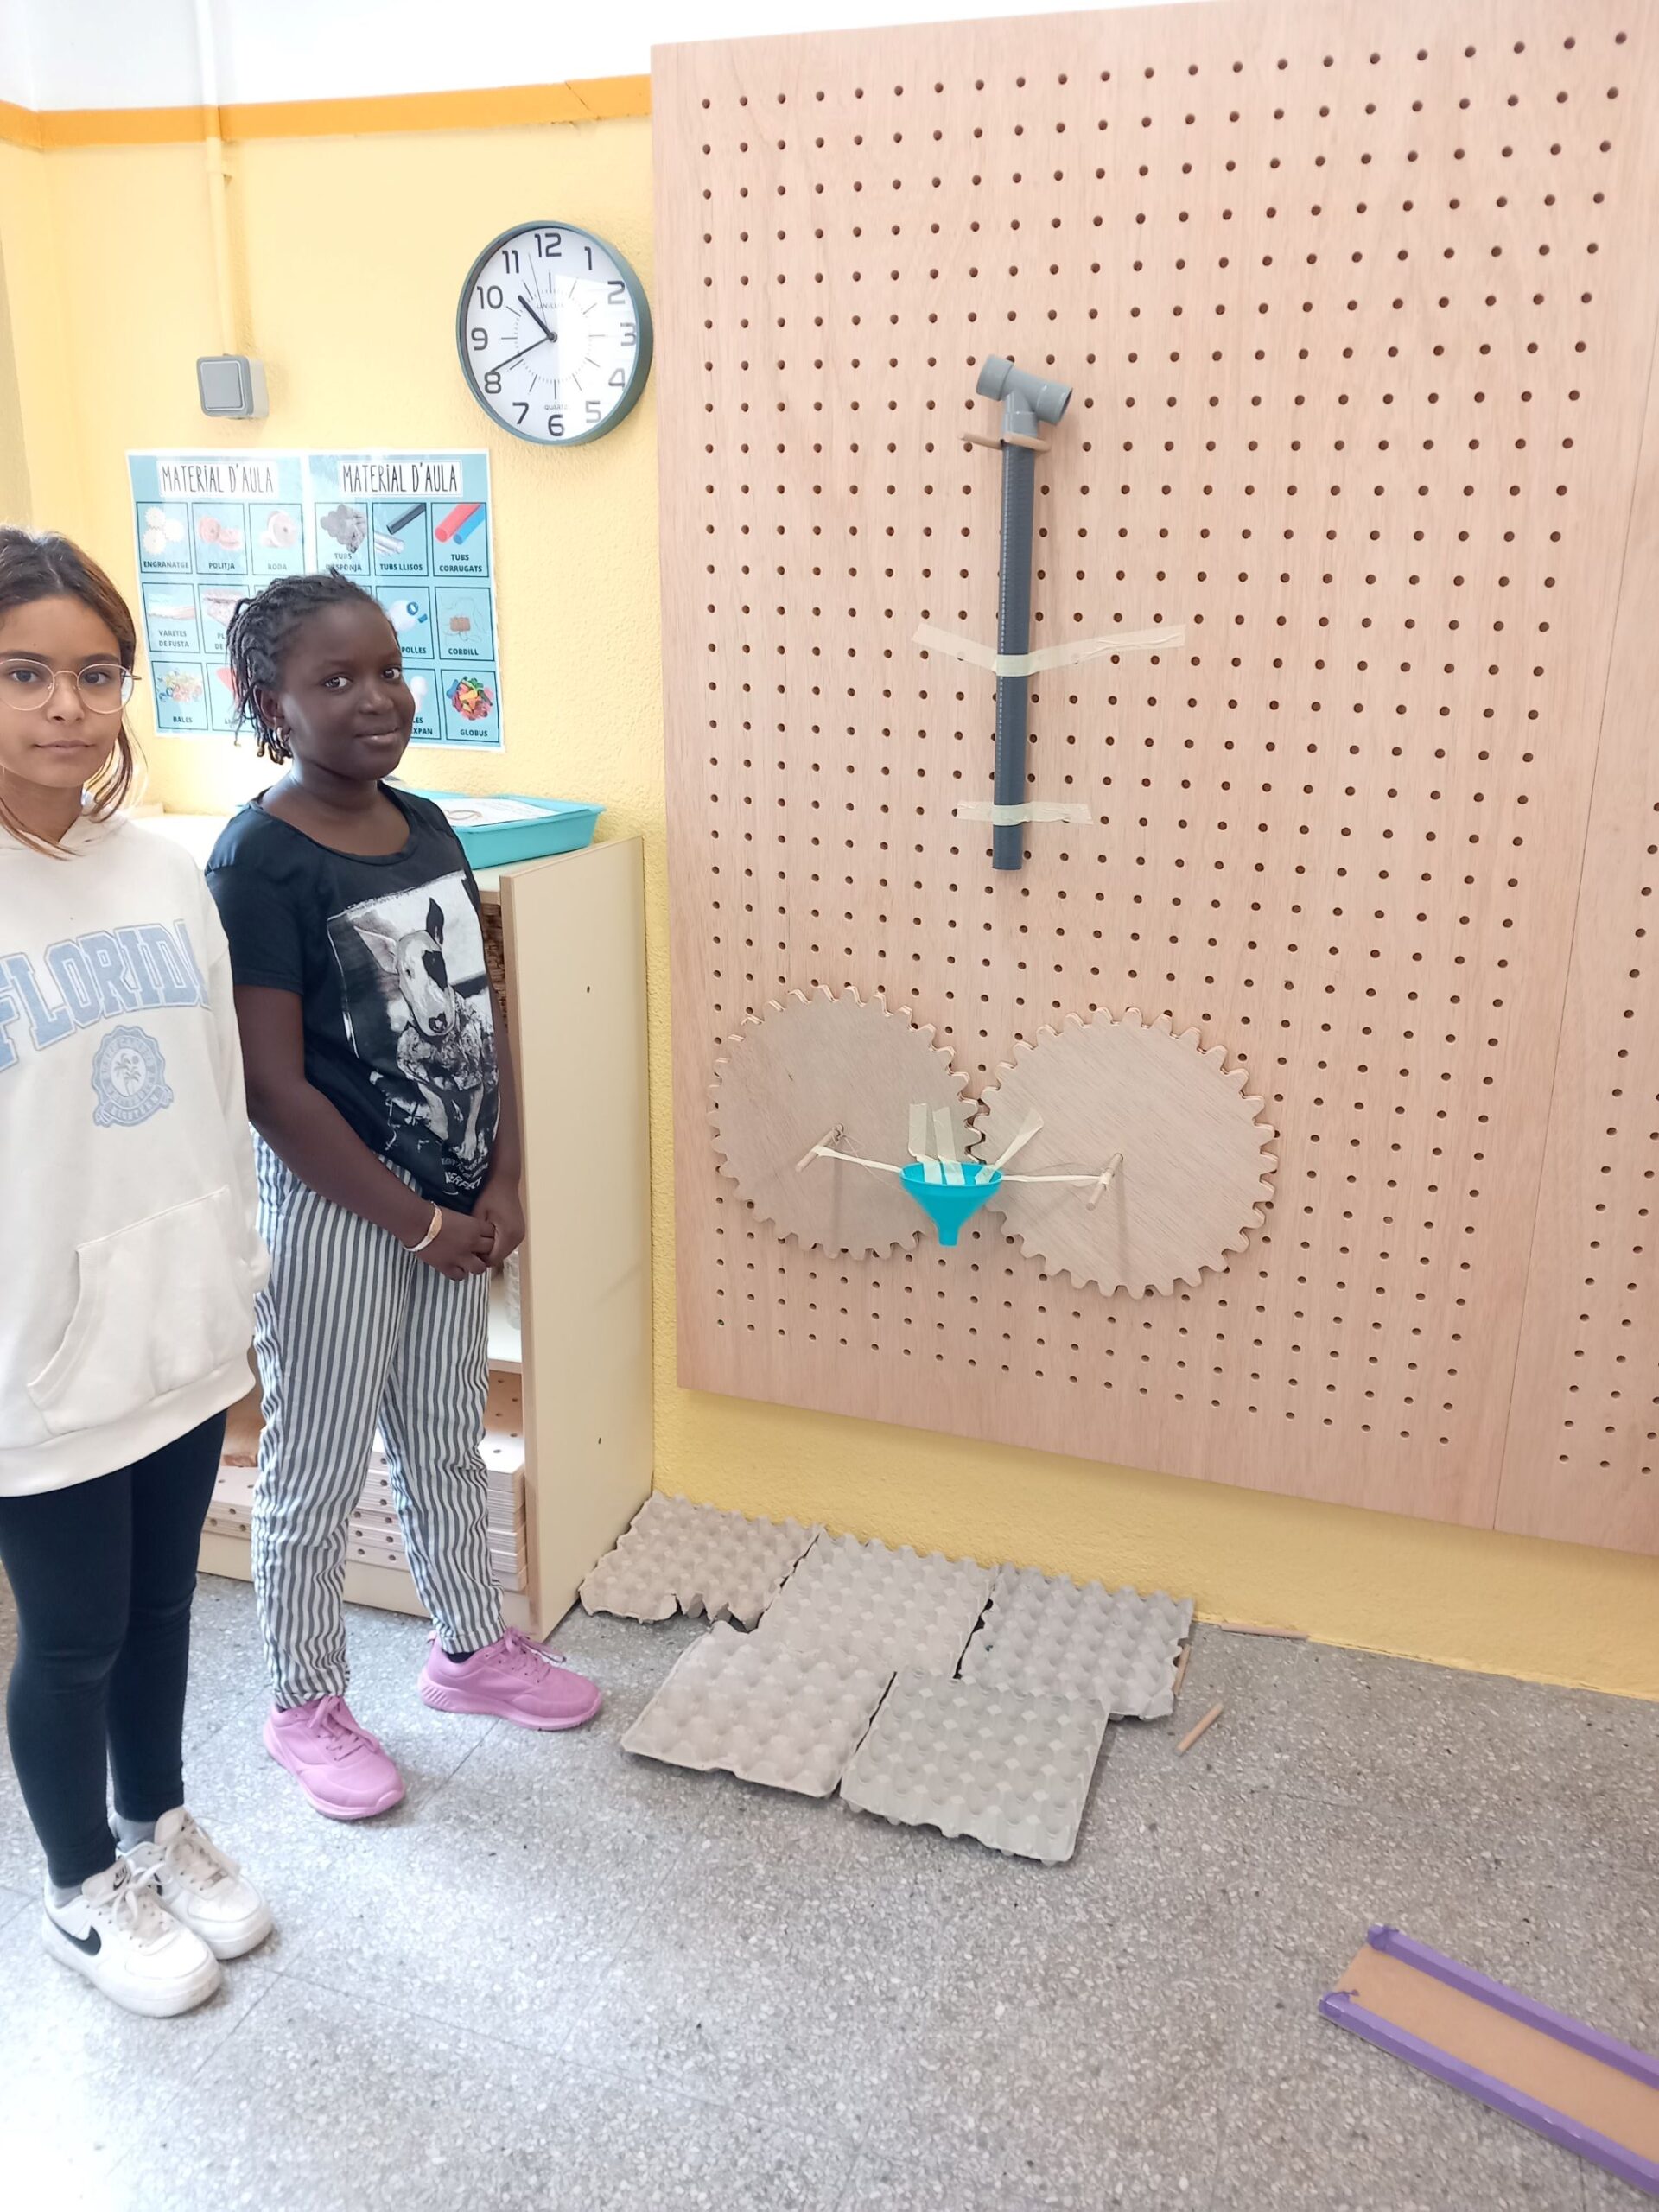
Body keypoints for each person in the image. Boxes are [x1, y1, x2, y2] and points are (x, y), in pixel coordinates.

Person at [207, 571, 600, 1821]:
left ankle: (470, 1651)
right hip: (344, 1215)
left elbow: (478, 1018)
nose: (377, 699)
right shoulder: (258, 862)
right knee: (316, 1468)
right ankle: (303, 1704)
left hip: (455, 1203)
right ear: (266, 701)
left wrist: (505, 1178)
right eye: (335, 680)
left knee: (444, 1437)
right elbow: (275, 1091)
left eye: (387, 669)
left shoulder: (427, 824)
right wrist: (418, 1222)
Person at [0, 527, 271, 2018]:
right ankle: (78, 1891)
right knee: (76, 1635)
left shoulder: (165, 873)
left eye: (96, 674)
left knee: (167, 1608)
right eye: (24, 674)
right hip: (32, 1351)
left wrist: (235, 1274)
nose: (68, 706)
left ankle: (153, 1823)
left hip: (177, 1322)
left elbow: (217, 1096)